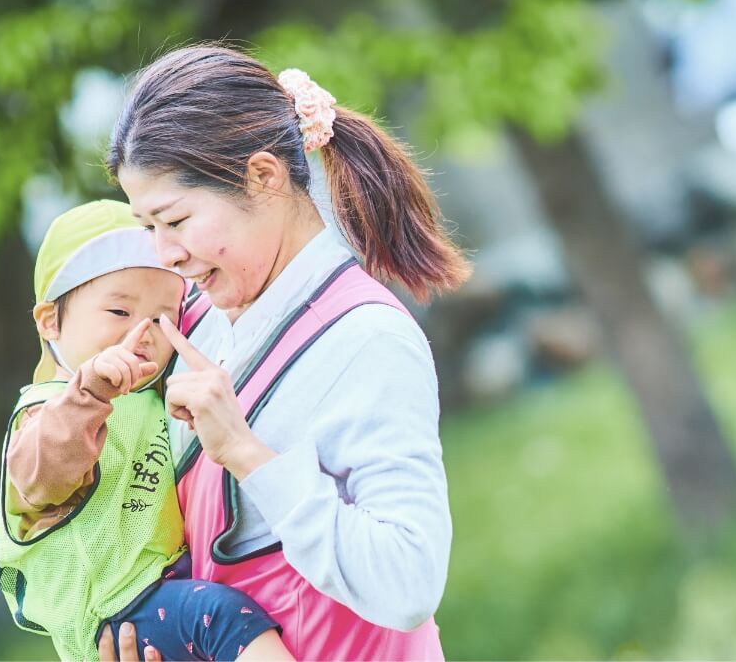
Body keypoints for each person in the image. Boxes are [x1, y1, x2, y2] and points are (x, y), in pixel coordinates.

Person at [97, 45, 469, 661]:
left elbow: (409, 582)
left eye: (177, 220)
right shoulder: (198, 319)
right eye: (147, 227)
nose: (164, 253)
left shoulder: (366, 338)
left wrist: (245, 452)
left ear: (264, 177)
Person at [0, 200, 293, 662]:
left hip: (163, 587)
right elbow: (40, 475)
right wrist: (89, 391)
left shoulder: (148, 393)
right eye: (118, 312)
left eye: (159, 319)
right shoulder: (47, 410)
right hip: (115, 613)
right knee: (222, 617)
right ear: (50, 320)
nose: (141, 333)